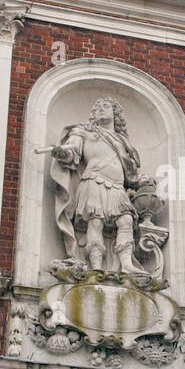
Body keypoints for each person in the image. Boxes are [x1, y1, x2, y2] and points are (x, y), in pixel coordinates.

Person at [49, 97, 146, 275]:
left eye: (106, 106)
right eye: (97, 108)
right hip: (94, 181)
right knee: (95, 222)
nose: (101, 109)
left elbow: (130, 174)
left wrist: (142, 181)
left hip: (117, 186)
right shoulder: (83, 132)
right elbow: (72, 152)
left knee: (126, 220)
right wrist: (62, 152)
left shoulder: (122, 141)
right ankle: (96, 267)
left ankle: (126, 265)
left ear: (115, 113)